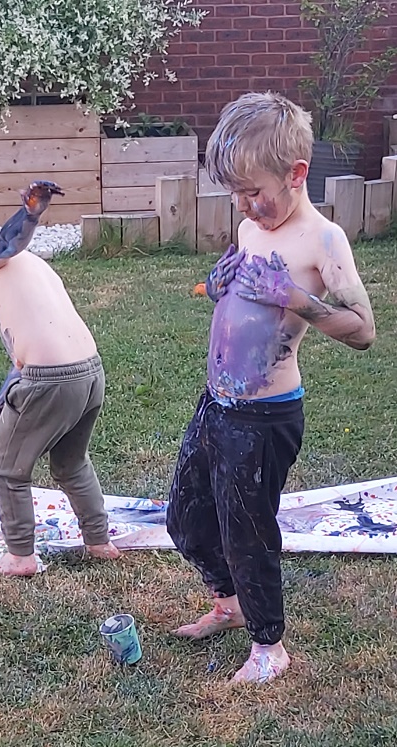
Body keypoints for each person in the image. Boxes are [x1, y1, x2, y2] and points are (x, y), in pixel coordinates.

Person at [166, 92, 375, 684]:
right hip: (216, 403)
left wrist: (296, 298)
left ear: (296, 174)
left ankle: (269, 647)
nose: (244, 205)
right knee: (186, 517)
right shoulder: (249, 226)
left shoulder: (323, 240)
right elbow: (239, 291)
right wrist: (217, 282)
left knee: (247, 534)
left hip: (264, 417)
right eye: (236, 193)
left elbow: (364, 330)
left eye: (253, 191)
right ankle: (229, 604)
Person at [0, 181, 120, 576]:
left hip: (50, 380)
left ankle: (20, 556)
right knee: (70, 463)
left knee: (5, 467)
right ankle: (99, 541)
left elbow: (3, 244)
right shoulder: (30, 268)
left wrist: (31, 213)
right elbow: (20, 364)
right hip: (89, 374)